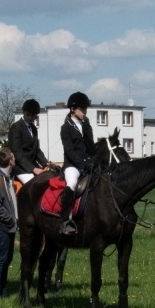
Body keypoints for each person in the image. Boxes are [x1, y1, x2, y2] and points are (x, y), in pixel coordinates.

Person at [58, 91, 96, 235]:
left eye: (86, 109)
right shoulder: (66, 128)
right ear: (73, 109)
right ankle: (65, 221)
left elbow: (91, 148)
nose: (85, 112)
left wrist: (87, 130)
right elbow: (69, 151)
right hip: (72, 165)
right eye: (82, 109)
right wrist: (82, 163)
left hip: (87, 163)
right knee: (72, 183)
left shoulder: (86, 125)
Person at [0, 148, 19, 298]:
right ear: (9, 161)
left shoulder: (7, 178)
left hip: (9, 226)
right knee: (1, 258)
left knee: (7, 258)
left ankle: (3, 289)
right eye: (13, 157)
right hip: (2, 226)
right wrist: (10, 218)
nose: (15, 159)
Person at [9, 98, 49, 184]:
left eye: (33, 115)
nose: (30, 117)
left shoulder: (34, 129)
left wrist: (46, 163)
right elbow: (17, 153)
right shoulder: (16, 127)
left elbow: (37, 150)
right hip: (20, 167)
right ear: (24, 112)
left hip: (32, 164)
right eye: (28, 114)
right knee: (33, 183)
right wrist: (33, 169)